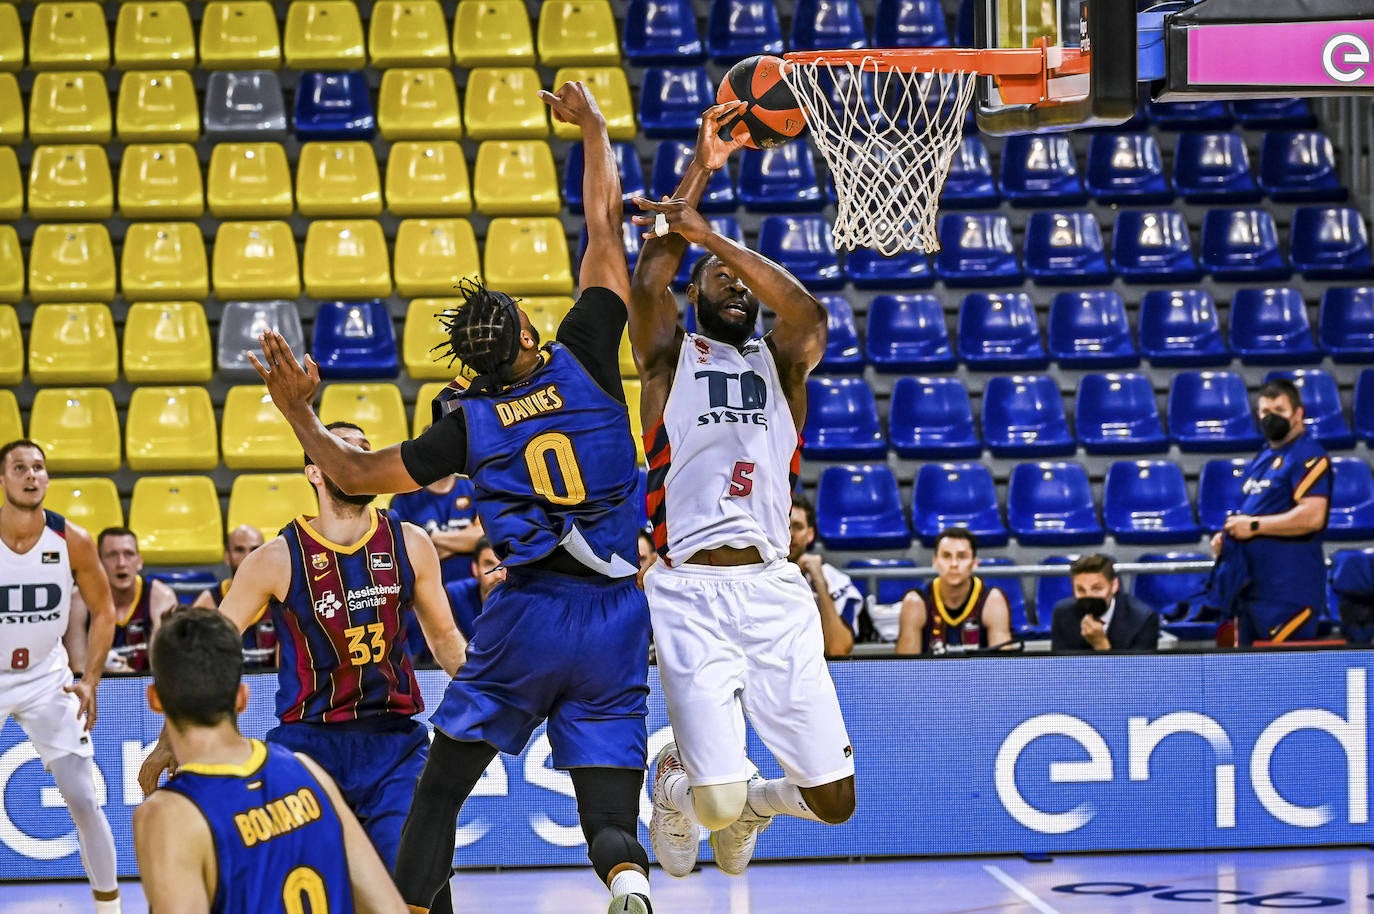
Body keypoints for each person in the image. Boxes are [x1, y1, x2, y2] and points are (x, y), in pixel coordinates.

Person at [250, 82, 656, 914]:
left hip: (530, 615)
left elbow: (356, 476)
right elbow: (605, 230)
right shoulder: (585, 351)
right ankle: (628, 878)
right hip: (619, 613)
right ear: (532, 334)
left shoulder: (467, 426)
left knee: (439, 791)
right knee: (607, 811)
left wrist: (298, 410)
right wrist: (593, 129)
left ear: (472, 365)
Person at [627, 101, 856, 880]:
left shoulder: (782, 366)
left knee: (836, 802)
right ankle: (677, 786)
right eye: (717, 277)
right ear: (695, 297)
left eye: (743, 278)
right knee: (712, 805)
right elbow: (648, 275)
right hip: (688, 590)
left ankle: (757, 804)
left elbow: (810, 313)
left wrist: (711, 237)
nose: (736, 284)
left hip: (772, 589)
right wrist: (699, 177)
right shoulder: (668, 360)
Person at [140, 422, 467, 884]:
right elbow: (212, 649)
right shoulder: (276, 557)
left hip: (394, 743)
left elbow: (445, 638)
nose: (359, 461)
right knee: (293, 884)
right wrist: (168, 737)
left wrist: (491, 695)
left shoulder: (410, 542)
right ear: (315, 471)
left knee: (417, 875)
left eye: (365, 452)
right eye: (344, 451)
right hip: (308, 745)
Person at [133, 607, 409, 914]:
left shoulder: (167, 814)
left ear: (154, 699)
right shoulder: (310, 771)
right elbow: (391, 909)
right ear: (242, 698)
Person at [0, 439, 122, 914]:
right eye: (20, 467)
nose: (32, 475)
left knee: (83, 798)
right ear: (3, 480)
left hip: (46, 678)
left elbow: (104, 611)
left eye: (38, 467)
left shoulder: (72, 539)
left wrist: (88, 678)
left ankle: (109, 908)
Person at [1208, 378, 1331, 645]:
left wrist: (1252, 526)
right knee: (1252, 679)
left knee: (1282, 678)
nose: (1270, 418)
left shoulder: (1308, 455)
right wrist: (1229, 539)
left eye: (1279, 411)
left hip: (1288, 594)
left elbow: (1312, 516)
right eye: (1265, 412)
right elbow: (1256, 509)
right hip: (1253, 593)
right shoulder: (1263, 456)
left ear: (1299, 414)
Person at [69, 527, 178, 672]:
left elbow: (165, 668)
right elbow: (78, 670)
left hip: (146, 689)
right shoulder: (80, 600)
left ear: (139, 561)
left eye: (129, 554)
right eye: (112, 555)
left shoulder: (161, 597)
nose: (121, 563)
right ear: (99, 562)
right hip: (98, 689)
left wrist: (128, 676)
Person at [893, 528, 1014, 656]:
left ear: (974, 563)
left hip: (980, 675)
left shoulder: (993, 601)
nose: (954, 564)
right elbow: (906, 669)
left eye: (962, 556)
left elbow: (1003, 666)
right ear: (935, 561)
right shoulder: (916, 602)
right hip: (930, 675)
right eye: (946, 556)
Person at [788, 494, 861, 657]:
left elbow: (837, 649)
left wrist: (820, 582)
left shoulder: (837, 581)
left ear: (811, 534)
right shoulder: (756, 579)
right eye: (785, 526)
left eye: (798, 526)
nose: (790, 534)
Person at [192, 525, 274, 668]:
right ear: (226, 556)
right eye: (239, 550)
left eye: (255, 550)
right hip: (225, 687)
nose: (248, 557)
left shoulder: (280, 601)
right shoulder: (208, 602)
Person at [1050, 554, 1160, 652]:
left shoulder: (1144, 619)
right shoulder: (1063, 613)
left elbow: (1138, 672)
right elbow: (1060, 667)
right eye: (1081, 590)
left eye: (1097, 589)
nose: (1089, 596)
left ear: (1114, 586)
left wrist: (1101, 645)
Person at [389, 474, 485, 585]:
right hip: (426, 590)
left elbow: (486, 538)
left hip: (474, 590)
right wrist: (465, 540)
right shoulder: (403, 499)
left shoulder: (475, 488)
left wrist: (428, 537)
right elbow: (408, 556)